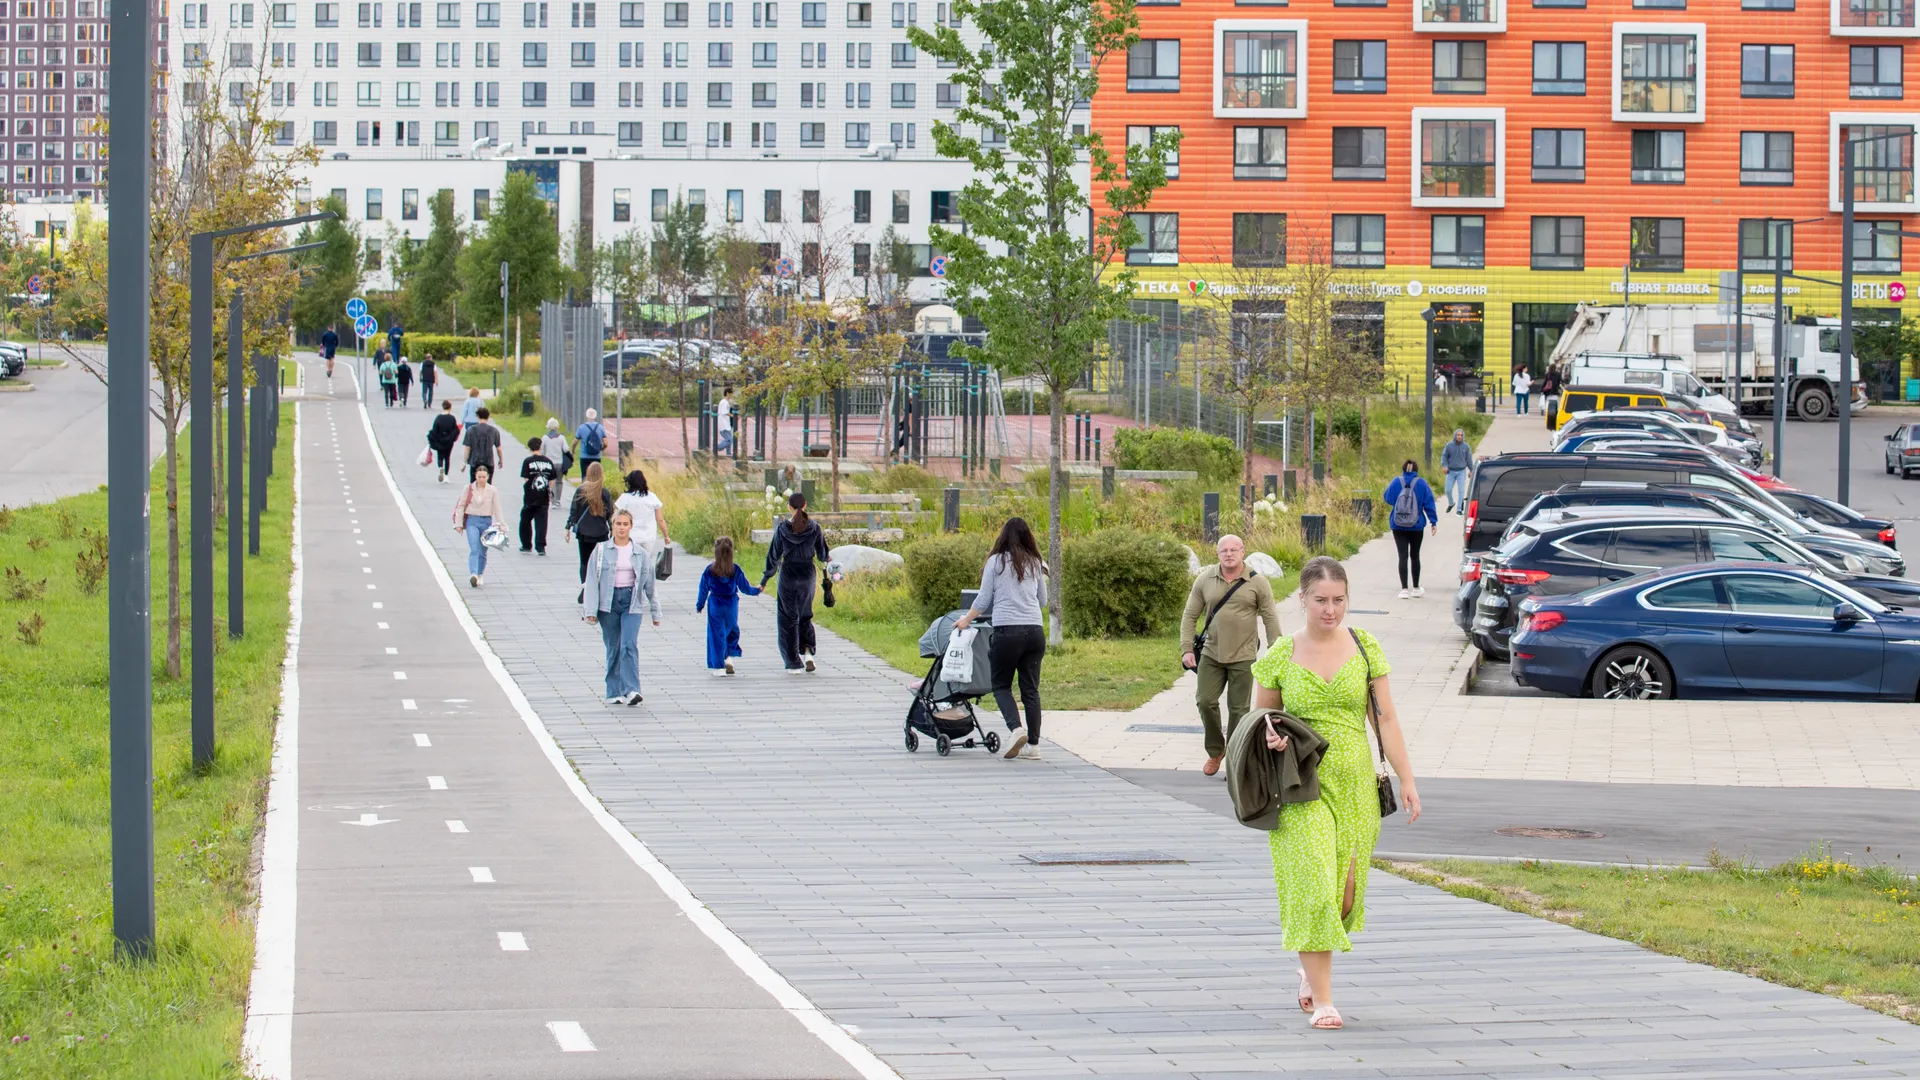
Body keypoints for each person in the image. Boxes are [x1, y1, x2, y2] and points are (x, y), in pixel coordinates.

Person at [1249, 555, 1421, 1032]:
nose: (1330, 610)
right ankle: (1324, 1001)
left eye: (1339, 600)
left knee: (1344, 897)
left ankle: (1310, 969)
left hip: (1356, 786)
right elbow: (1260, 719)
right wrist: (1271, 735)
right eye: (1321, 600)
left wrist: (1407, 779)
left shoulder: (1365, 647)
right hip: (1300, 785)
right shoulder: (1281, 653)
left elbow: (1386, 719)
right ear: (1302, 599)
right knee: (1314, 885)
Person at [1180, 534, 1282, 777]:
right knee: (1205, 701)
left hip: (1243, 655)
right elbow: (1190, 615)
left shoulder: (1257, 582)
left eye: (1233, 550)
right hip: (1211, 653)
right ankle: (1216, 750)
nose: (1229, 554)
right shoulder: (1205, 579)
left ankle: (1235, 761)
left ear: (1242, 551)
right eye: (1224, 550)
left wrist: (1277, 651)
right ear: (1217, 554)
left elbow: (1270, 618)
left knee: (1239, 710)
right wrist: (1186, 649)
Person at [952, 517, 1048, 760]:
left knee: (1001, 685)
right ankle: (1034, 747)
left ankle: (1016, 730)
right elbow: (1043, 601)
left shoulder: (996, 562)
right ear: (1028, 538)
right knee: (1030, 690)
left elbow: (984, 599)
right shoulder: (1036, 562)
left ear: (1003, 536)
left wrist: (965, 620)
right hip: (1035, 633)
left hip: (1007, 632)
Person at [581, 509, 660, 706]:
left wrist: (655, 611)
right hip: (608, 603)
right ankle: (614, 691)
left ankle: (632, 690)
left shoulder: (640, 553)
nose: (622, 528)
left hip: (631, 602)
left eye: (625, 524)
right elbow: (591, 582)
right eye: (618, 524)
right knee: (614, 647)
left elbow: (649, 583)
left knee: (628, 645)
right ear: (612, 525)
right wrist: (590, 611)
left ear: (631, 527)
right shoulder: (601, 550)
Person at [760, 492, 830, 673]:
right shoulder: (814, 527)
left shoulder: (782, 529)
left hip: (788, 575)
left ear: (789, 507)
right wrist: (826, 558)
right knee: (805, 614)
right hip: (807, 575)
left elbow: (774, 556)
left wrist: (765, 579)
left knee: (788, 619)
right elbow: (823, 555)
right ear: (805, 505)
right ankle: (808, 653)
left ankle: (793, 663)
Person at [696, 536, 762, 675]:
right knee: (731, 629)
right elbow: (745, 588)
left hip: (715, 603)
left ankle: (719, 667)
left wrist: (700, 605)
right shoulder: (735, 569)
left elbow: (703, 589)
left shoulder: (710, 570)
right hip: (731, 604)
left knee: (716, 634)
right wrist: (757, 590)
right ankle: (728, 657)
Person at [1382, 460, 1439, 599]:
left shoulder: (1396, 482)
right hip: (1416, 526)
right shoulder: (1421, 483)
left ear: (1403, 470)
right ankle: (1416, 588)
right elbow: (1429, 503)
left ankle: (1404, 589)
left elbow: (1387, 498)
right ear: (1416, 471)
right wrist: (1433, 521)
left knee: (1402, 556)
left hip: (1398, 525)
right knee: (1415, 556)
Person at [566, 461, 614, 591]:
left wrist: (568, 527)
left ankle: (585, 587)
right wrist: (612, 530)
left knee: (585, 562)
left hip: (584, 533)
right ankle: (599, 587)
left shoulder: (581, 491)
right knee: (601, 562)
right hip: (601, 533)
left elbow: (574, 511)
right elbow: (610, 514)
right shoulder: (604, 493)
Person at [452, 464, 501, 588]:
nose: (481, 479)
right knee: (474, 548)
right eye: (479, 477)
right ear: (475, 476)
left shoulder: (492, 490)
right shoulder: (468, 488)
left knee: (483, 550)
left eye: (484, 477)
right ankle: (473, 573)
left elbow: (497, 508)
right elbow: (461, 506)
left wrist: (502, 524)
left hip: (486, 521)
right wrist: (458, 523)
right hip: (472, 520)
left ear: (488, 477)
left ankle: (480, 573)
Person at [615, 470, 670, 558]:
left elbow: (616, 518)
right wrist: (666, 536)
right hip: (649, 536)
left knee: (631, 560)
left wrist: (615, 535)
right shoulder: (652, 497)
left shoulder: (625, 498)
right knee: (646, 560)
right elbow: (660, 520)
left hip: (631, 536)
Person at [519, 436, 558, 554]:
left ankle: (526, 544)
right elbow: (553, 479)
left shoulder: (528, 461)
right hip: (543, 497)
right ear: (540, 447)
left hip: (530, 497)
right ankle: (540, 547)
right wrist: (549, 489)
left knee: (525, 520)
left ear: (529, 448)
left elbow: (526, 478)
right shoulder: (548, 461)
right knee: (542, 523)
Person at [458, 406, 504, 484]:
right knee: (488, 485)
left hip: (475, 461)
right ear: (488, 417)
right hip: (489, 461)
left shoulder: (471, 430)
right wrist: (501, 460)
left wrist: (464, 462)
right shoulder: (494, 431)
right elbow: (498, 448)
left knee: (473, 485)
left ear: (478, 416)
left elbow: (467, 448)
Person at [426, 400, 461, 483]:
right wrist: (451, 438)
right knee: (447, 458)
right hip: (449, 441)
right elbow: (455, 430)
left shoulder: (438, 418)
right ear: (450, 408)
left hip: (439, 441)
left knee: (440, 456)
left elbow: (434, 430)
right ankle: (446, 475)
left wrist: (436, 439)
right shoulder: (452, 418)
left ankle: (440, 467)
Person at [1440, 429, 1473, 514]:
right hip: (1451, 471)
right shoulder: (1449, 445)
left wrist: (1471, 470)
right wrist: (1444, 466)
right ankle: (1451, 503)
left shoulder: (1466, 447)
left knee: (1461, 491)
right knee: (1447, 490)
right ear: (1455, 436)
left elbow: (1469, 459)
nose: (1459, 436)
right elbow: (1444, 456)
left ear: (1463, 436)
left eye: (1461, 435)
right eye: (1458, 435)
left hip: (1461, 471)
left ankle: (1459, 509)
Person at [541, 418, 570, 502]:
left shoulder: (545, 438)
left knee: (550, 481)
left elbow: (542, 451)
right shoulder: (561, 437)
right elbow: (566, 449)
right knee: (559, 481)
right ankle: (558, 500)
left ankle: (552, 500)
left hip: (549, 463)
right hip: (559, 462)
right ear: (557, 427)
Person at [575, 408, 609, 478]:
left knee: (585, 475)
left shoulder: (581, 427)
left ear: (586, 416)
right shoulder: (600, 427)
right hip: (596, 456)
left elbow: (575, 441)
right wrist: (601, 449)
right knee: (596, 476)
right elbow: (605, 443)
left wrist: (572, 450)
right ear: (595, 416)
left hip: (584, 456)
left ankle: (585, 484)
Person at [1538, 365, 1563, 430]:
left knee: (1548, 403)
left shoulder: (1548, 374)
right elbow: (1559, 382)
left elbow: (1545, 382)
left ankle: (1547, 414)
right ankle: (1553, 415)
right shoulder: (1558, 374)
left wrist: (1541, 390)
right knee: (1555, 404)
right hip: (1555, 391)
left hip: (1548, 391)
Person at [714, 387, 735, 455]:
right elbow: (725, 412)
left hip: (726, 424)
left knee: (728, 439)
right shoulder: (724, 402)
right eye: (731, 393)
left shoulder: (725, 402)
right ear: (728, 393)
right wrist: (733, 416)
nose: (732, 395)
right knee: (729, 440)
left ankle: (728, 453)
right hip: (724, 425)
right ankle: (717, 448)